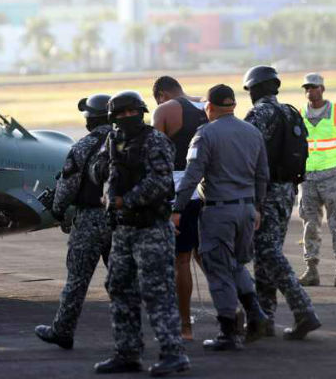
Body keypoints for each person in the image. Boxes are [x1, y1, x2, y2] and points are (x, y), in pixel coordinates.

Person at [90, 91, 189, 376]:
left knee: (157, 291)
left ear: (141, 112)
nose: (126, 118)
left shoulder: (155, 140)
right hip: (123, 229)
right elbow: (98, 172)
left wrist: (125, 199)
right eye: (119, 115)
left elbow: (159, 183)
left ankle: (174, 353)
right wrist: (106, 171)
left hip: (151, 228)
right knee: (119, 287)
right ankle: (127, 351)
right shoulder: (113, 141)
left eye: (131, 112)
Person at [172, 84, 269, 351]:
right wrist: (257, 206)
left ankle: (228, 331)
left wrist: (177, 209)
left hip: (219, 210)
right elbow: (263, 174)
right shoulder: (252, 132)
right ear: (234, 106)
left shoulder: (206, 134)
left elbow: (192, 175)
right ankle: (256, 313)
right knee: (236, 264)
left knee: (218, 270)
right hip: (247, 209)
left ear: (210, 107)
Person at [243, 66, 321, 340]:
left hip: (266, 190)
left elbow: (246, 151)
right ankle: (266, 317)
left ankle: (303, 310)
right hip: (288, 189)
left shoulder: (260, 114)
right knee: (266, 252)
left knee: (268, 252)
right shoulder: (290, 111)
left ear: (255, 89)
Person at [34, 94, 113, 350]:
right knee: (124, 279)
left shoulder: (84, 146)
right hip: (121, 220)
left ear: (91, 118)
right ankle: (129, 334)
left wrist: (58, 211)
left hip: (90, 219)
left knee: (77, 280)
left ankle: (63, 330)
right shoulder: (128, 143)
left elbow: (67, 187)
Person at [152, 76, 208, 341]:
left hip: (178, 194)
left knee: (181, 260)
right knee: (209, 255)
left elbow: (155, 158)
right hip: (209, 190)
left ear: (161, 95)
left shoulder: (165, 110)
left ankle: (184, 326)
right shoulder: (207, 105)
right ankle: (235, 312)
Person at [297, 73, 336, 287]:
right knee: (309, 226)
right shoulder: (300, 114)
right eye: (306, 88)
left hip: (333, 178)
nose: (309, 91)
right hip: (308, 179)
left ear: (322, 89)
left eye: (313, 87)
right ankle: (311, 270)